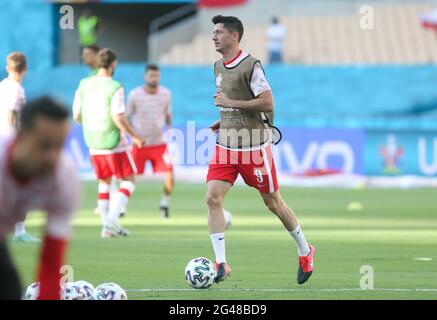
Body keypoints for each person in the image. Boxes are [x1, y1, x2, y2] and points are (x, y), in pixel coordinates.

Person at [207, 15, 315, 284]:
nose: (214, 37)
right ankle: (221, 263)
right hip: (226, 146)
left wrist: (230, 102)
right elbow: (237, 104)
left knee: (273, 203)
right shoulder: (217, 66)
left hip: (254, 148)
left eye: (219, 32)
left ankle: (305, 250)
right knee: (212, 198)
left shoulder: (251, 65)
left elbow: (267, 102)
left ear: (234, 35)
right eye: (213, 32)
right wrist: (225, 119)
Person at [0, 97, 80, 300]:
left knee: (9, 290)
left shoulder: (64, 178)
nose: (53, 156)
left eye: (59, 146)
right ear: (20, 136)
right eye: (45, 146)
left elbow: (51, 262)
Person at [73, 48, 145, 238]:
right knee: (129, 179)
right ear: (113, 64)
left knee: (104, 182)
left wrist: (89, 125)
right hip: (114, 142)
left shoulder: (83, 84)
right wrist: (135, 136)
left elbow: (76, 114)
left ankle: (106, 228)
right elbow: (118, 117)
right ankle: (112, 219)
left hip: (93, 140)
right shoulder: (115, 87)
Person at [0, 51, 40, 243]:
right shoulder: (16, 89)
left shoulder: (3, 85)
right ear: (25, 68)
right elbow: (11, 116)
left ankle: (17, 230)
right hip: (10, 144)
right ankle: (19, 231)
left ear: (8, 67)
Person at [126, 64, 174, 218]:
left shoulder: (166, 94)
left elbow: (168, 114)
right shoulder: (134, 95)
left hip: (159, 143)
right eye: (151, 76)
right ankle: (121, 206)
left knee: (169, 174)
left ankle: (164, 204)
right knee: (130, 177)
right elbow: (127, 117)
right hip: (140, 143)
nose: (154, 79)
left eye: (157, 76)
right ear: (145, 77)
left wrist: (170, 130)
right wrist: (133, 136)